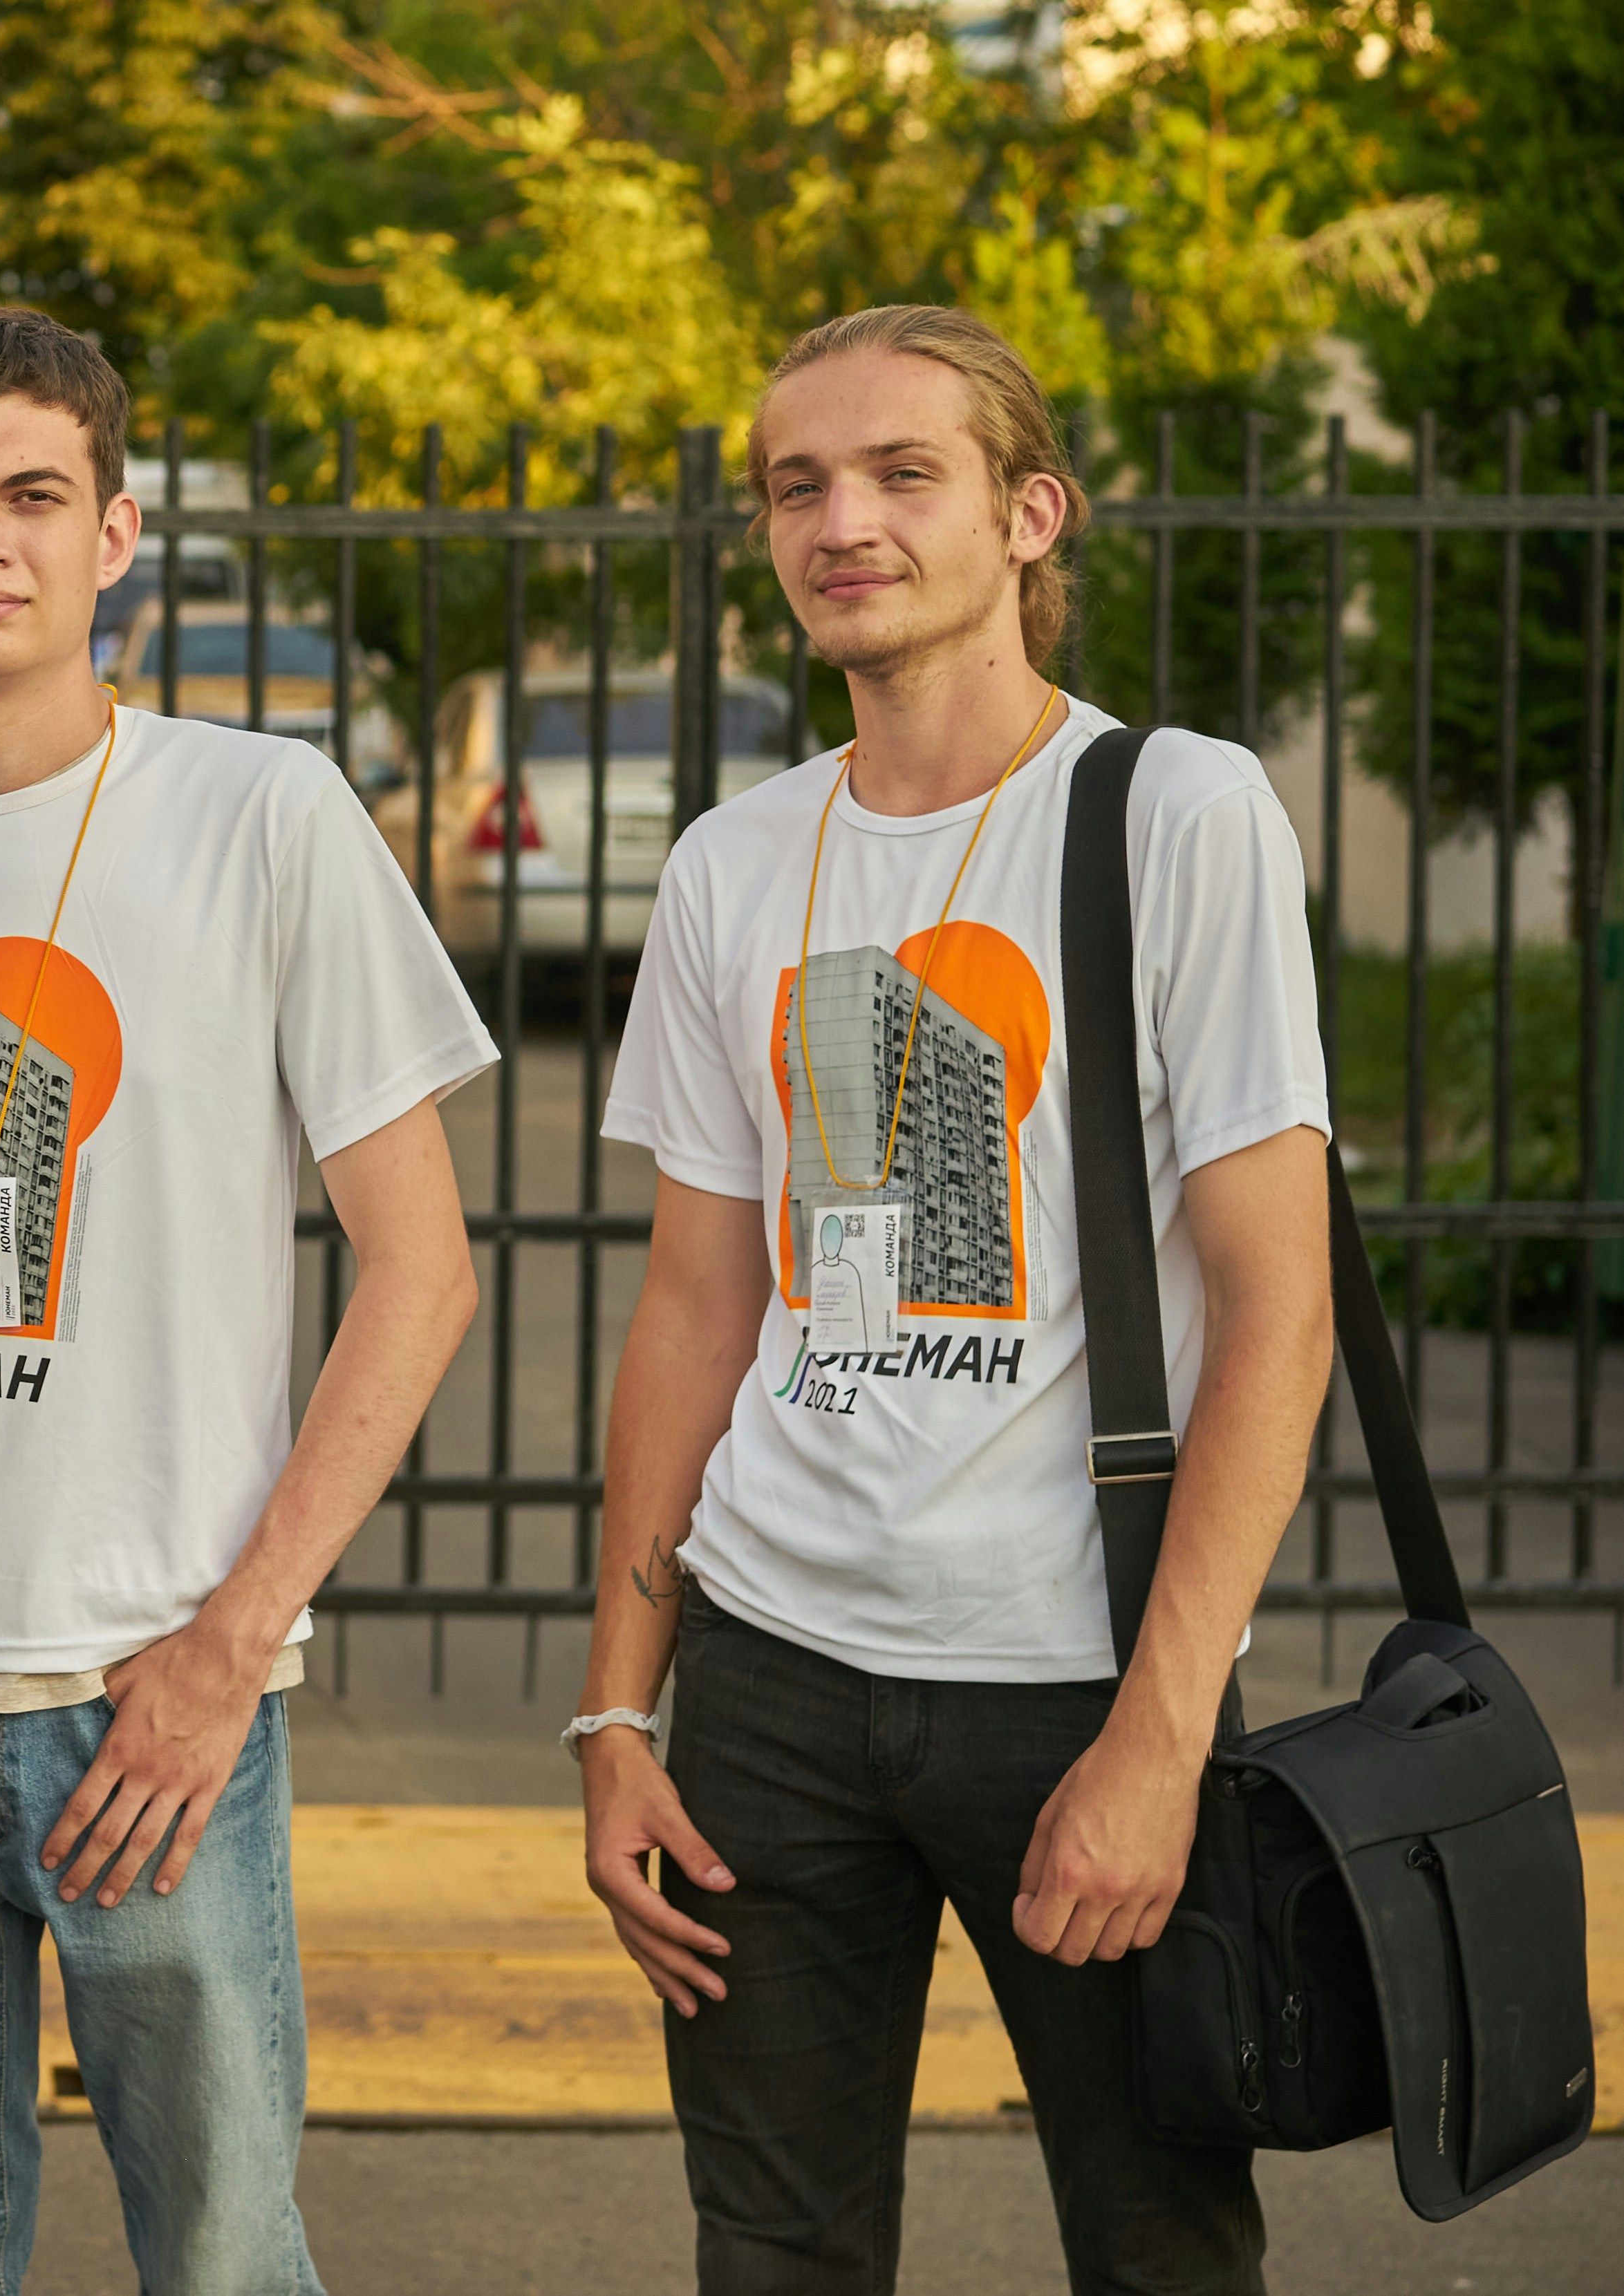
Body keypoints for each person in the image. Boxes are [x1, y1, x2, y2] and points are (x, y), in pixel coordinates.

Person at [0, 301, 490, 2296]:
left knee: (223, 2258)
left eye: (35, 496)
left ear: (115, 533)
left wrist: (234, 1643)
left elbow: (423, 1266)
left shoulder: (261, 814)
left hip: (155, 1702)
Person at [576, 303, 1331, 2293]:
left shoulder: (1172, 815)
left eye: (903, 472)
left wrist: (1160, 1741)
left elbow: (1281, 1309)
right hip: (767, 1681)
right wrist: (613, 1706)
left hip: (1076, 1675)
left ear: (1027, 514)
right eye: (797, 484)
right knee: (772, 2250)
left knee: (1160, 2244)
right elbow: (689, 1311)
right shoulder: (737, 864)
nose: (843, 520)